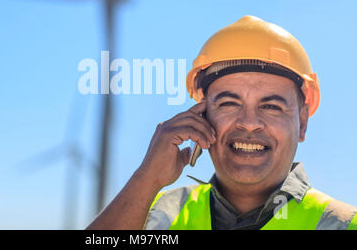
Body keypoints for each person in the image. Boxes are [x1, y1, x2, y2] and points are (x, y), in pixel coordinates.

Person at [86, 15, 357, 230]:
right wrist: (146, 178)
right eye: (229, 104)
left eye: (272, 106)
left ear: (302, 124)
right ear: (200, 116)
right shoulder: (158, 215)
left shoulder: (343, 224)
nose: (249, 123)